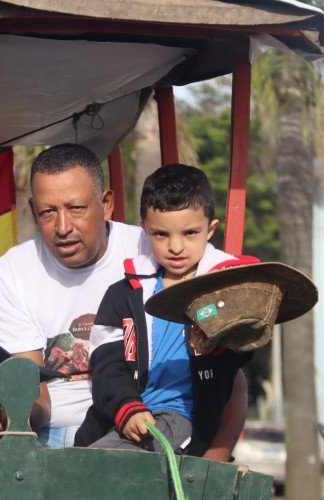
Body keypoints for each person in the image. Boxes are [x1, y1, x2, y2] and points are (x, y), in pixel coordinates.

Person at [0, 143, 155, 447]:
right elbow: (34, 394)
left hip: (144, 421)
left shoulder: (149, 252)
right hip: (52, 436)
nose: (62, 227)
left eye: (76, 209)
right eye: (49, 212)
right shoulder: (10, 273)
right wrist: (14, 410)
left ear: (106, 203)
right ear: (34, 211)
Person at [76, 163, 251, 460]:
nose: (176, 246)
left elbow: (245, 349)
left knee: (90, 470)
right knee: (74, 465)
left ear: (210, 229)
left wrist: (213, 347)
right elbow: (107, 364)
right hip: (123, 420)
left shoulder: (225, 288)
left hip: (180, 419)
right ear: (145, 230)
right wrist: (126, 407)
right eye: (160, 234)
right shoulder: (123, 295)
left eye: (190, 232)